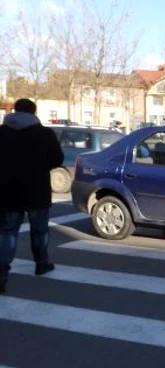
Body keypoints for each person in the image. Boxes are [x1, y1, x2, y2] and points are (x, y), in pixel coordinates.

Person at [0, 98, 64, 293]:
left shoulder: (1, 133)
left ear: (14, 111)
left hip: (7, 191)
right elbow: (57, 159)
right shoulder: (45, 134)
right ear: (34, 112)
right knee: (40, 230)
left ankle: (2, 273)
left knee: (8, 233)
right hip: (37, 190)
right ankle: (41, 263)